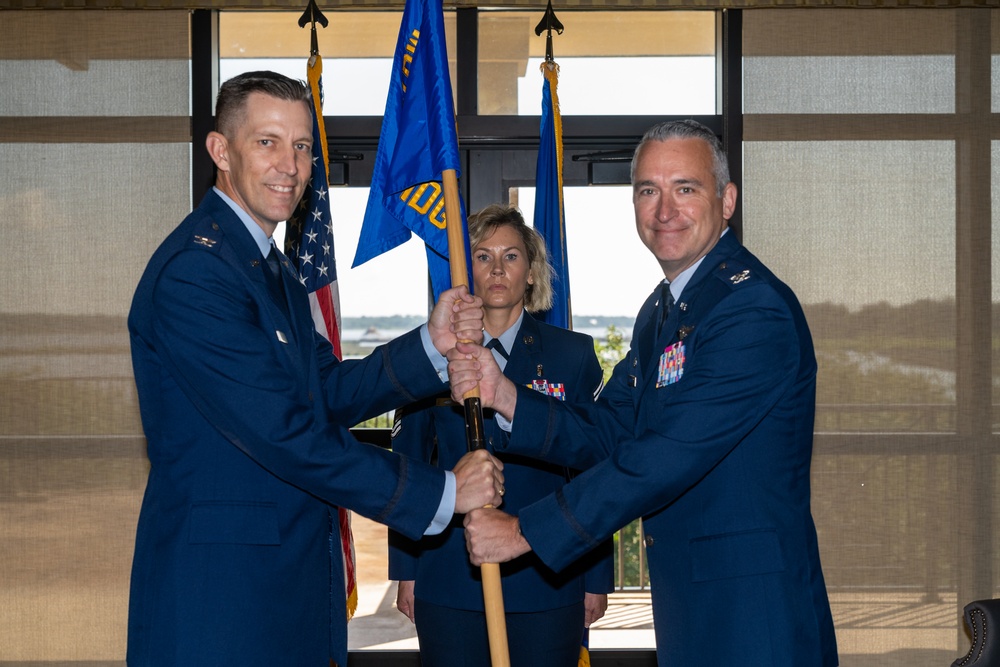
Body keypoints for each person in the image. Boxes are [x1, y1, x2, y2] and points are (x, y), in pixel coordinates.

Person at [126, 71, 503, 667]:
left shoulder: (271, 270)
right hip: (222, 599)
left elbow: (324, 390)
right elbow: (285, 434)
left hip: (286, 585)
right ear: (221, 151)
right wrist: (444, 492)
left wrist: (429, 345)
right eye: (267, 141)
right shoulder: (197, 273)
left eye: (302, 146)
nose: (290, 165)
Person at [449, 120, 839, 666]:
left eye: (686, 188)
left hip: (753, 611)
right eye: (648, 191)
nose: (664, 210)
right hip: (691, 600)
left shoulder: (751, 309)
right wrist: (506, 394)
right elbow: (610, 429)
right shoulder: (661, 312)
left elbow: (667, 454)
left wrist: (525, 531)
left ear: (726, 200)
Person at [388, 204, 612, 666]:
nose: (496, 269)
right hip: (449, 576)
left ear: (530, 273)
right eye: (483, 256)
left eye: (510, 256)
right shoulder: (435, 352)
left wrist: (594, 577)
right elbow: (408, 463)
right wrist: (406, 571)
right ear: (467, 270)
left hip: (548, 575)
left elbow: (595, 469)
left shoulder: (573, 356)